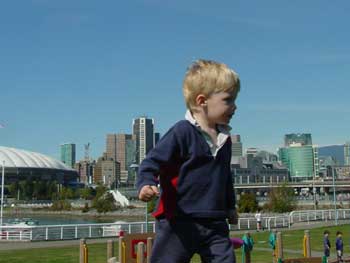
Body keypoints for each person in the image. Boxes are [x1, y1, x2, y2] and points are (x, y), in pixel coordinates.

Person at [137, 59, 241, 263]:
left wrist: (230, 206)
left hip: (214, 221)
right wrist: (146, 183)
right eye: (228, 100)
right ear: (202, 101)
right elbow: (151, 162)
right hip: (179, 220)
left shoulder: (225, 140)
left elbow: (224, 177)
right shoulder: (182, 132)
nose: (234, 107)